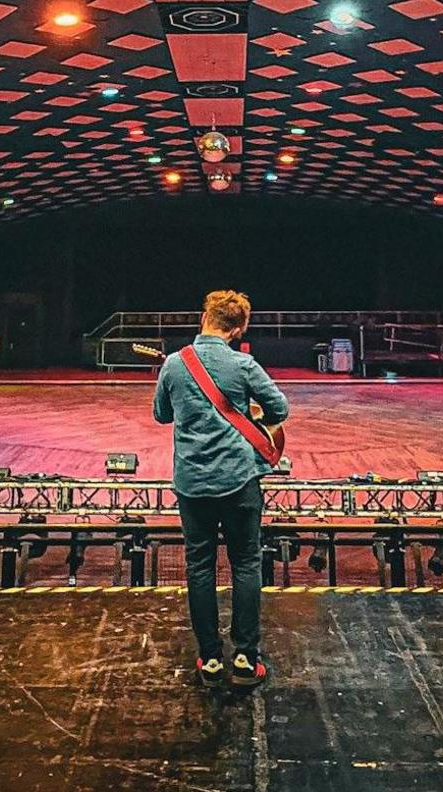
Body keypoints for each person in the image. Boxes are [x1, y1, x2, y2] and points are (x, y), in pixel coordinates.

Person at [152, 289, 290, 689]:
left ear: (204, 317)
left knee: (200, 567)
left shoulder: (176, 365)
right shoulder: (243, 364)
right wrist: (250, 412)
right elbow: (280, 409)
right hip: (239, 481)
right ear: (238, 328)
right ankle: (246, 658)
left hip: (193, 484)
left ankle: (210, 659)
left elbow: (161, 415)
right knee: (246, 564)